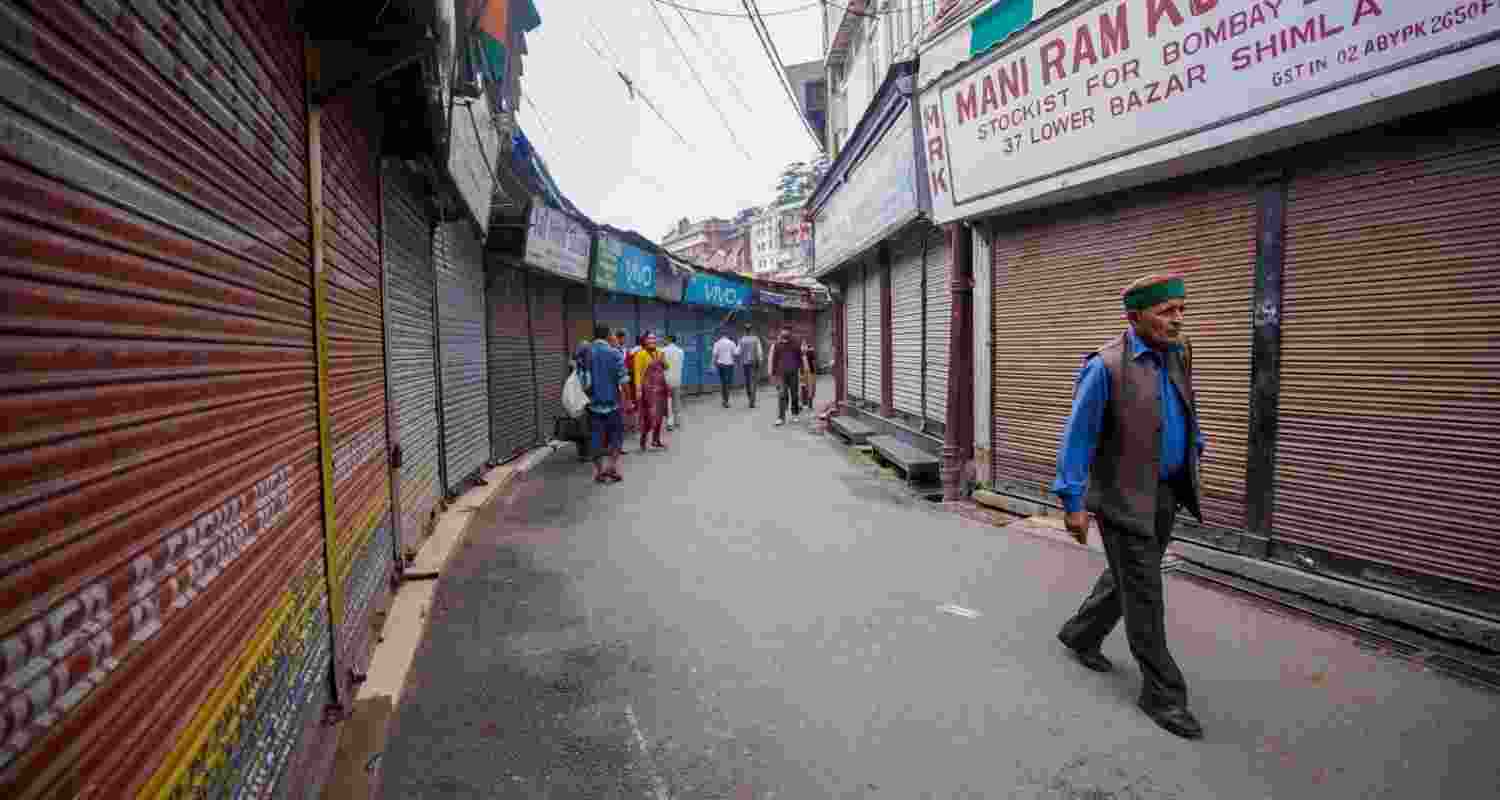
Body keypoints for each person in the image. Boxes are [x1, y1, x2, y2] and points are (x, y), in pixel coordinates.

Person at [1053, 273, 1206, 741]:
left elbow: (1185, 405)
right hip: (1121, 496)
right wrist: (1073, 503)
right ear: (1135, 316)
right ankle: (1163, 695)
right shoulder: (1106, 366)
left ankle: (1081, 633)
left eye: (1181, 310)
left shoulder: (1180, 352)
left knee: (1128, 577)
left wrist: (1194, 447)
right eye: (1166, 312)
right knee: (1144, 593)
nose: (1177, 320)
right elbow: (1077, 438)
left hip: (1164, 493)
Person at [584, 324, 628, 483]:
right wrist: (628, 401)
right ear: (608, 335)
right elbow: (623, 381)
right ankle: (612, 467)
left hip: (593, 406)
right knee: (616, 437)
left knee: (596, 439)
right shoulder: (615, 353)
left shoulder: (587, 353)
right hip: (613, 405)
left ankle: (600, 471)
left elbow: (582, 378)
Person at [630, 332, 670, 450]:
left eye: (654, 338)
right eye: (649, 338)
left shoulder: (660, 352)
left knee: (659, 416)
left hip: (661, 389)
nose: (652, 340)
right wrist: (638, 390)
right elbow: (637, 373)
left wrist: (663, 361)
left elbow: (666, 367)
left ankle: (656, 440)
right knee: (648, 416)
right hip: (647, 390)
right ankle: (643, 441)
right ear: (645, 340)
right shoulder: (640, 354)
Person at [766, 326, 803, 426]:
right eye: (783, 332)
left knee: (794, 394)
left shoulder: (796, 344)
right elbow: (774, 359)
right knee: (782, 395)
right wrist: (773, 374)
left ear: (790, 333)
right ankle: (781, 418)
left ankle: (795, 414)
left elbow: (799, 358)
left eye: (786, 332)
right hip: (781, 374)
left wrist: (801, 370)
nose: (784, 334)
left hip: (793, 373)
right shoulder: (778, 345)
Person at [737, 324, 765, 409]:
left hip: (745, 363)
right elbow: (759, 351)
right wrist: (760, 360)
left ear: (745, 331)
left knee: (748, 382)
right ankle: (752, 401)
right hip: (754, 363)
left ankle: (750, 398)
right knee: (753, 382)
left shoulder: (741, 340)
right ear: (751, 330)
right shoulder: (756, 339)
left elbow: (737, 352)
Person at [662, 334, 685, 430]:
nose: (664, 341)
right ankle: (677, 421)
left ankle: (669, 423)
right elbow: (681, 364)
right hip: (677, 379)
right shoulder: (681, 351)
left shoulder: (662, 351)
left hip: (666, 379)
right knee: (677, 400)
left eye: (665, 339)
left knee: (668, 401)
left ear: (668, 340)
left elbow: (662, 365)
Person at [711, 329, 739, 408]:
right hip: (730, 365)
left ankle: (724, 399)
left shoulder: (717, 343)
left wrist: (712, 365)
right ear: (727, 336)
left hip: (720, 365)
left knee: (723, 382)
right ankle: (726, 400)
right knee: (728, 382)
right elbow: (736, 353)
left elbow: (714, 355)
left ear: (721, 336)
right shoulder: (731, 343)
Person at [799, 340, 817, 411]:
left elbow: (813, 361)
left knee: (810, 388)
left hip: (810, 372)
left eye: (805, 345)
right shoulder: (799, 353)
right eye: (802, 345)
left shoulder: (810, 352)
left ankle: (810, 404)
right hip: (802, 373)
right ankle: (802, 404)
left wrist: (815, 372)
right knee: (802, 387)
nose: (803, 347)